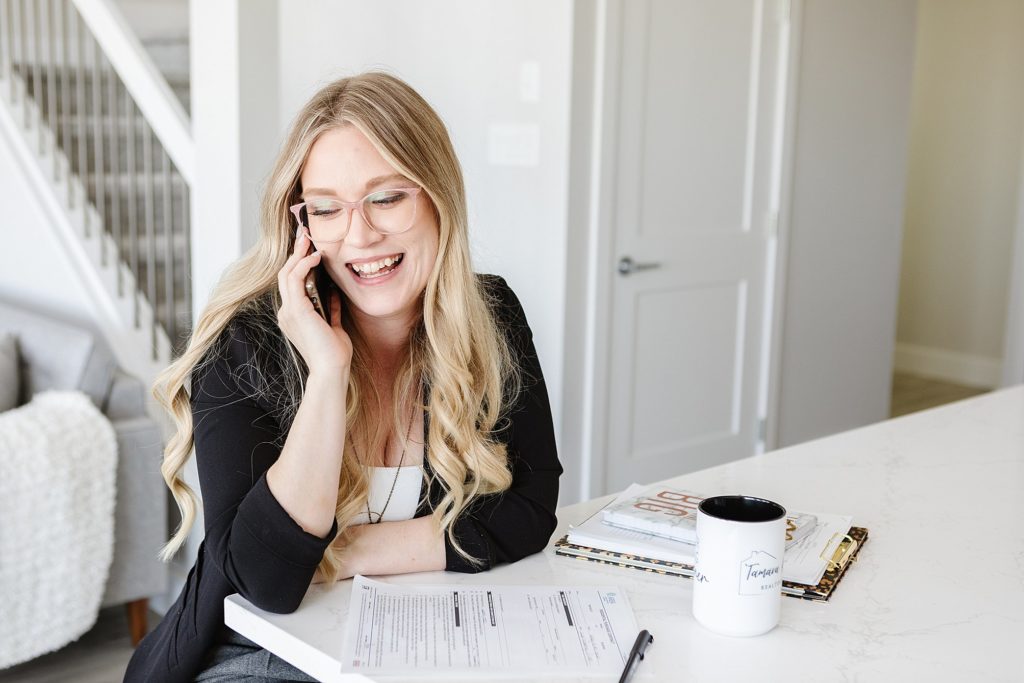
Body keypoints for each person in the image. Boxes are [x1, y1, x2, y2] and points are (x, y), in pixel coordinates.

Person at [124, 71, 561, 682]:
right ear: (302, 226)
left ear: (438, 195)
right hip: (254, 649)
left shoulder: (492, 316)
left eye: (386, 198)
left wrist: (341, 554)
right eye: (327, 208)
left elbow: (531, 510)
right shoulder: (247, 342)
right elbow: (269, 581)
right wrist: (327, 374)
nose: (359, 235)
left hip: (417, 633)